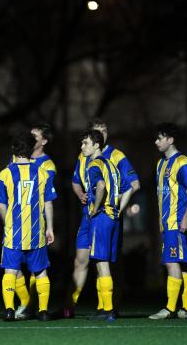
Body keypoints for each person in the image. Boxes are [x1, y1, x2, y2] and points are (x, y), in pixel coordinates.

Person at [66, 118, 140, 317]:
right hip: (90, 217)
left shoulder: (114, 156)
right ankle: (70, 305)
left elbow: (133, 184)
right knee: (82, 260)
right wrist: (80, 193)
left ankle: (108, 307)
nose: (102, 133)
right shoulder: (84, 156)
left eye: (104, 130)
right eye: (98, 130)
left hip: (101, 216)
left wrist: (112, 208)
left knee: (106, 263)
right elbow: (75, 181)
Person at [0, 131, 56, 322]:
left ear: (14, 150)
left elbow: (1, 203)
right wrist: (50, 228)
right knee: (40, 272)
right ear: (31, 150)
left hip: (14, 232)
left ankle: (9, 310)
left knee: (10, 271)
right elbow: (48, 203)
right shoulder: (42, 172)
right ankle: (43, 311)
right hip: (36, 231)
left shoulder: (5, 173)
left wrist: (7, 223)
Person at [80, 129, 134, 322]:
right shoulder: (111, 165)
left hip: (101, 218)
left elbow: (101, 186)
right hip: (113, 219)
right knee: (104, 264)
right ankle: (105, 307)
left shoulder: (94, 165)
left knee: (101, 265)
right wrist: (118, 209)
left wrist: (95, 208)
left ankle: (108, 310)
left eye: (85, 143)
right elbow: (129, 188)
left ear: (97, 145)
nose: (82, 147)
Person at [149, 123, 187, 320]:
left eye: (160, 138)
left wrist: (186, 218)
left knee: (171, 262)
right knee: (181, 263)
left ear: (170, 140)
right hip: (166, 223)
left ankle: (170, 308)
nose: (156, 142)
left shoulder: (182, 162)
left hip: (177, 221)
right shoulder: (160, 164)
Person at [14, 122, 56, 320]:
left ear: (44, 142)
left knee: (36, 269)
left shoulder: (47, 165)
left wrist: (49, 226)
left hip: (34, 224)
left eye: (36, 137)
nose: (31, 140)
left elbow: (46, 197)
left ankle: (34, 307)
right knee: (12, 269)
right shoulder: (17, 158)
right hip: (14, 224)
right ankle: (25, 303)